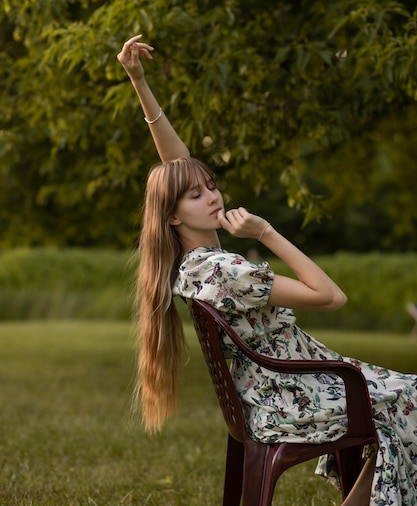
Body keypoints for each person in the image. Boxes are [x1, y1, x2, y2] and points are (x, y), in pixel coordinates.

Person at [117, 35, 417, 506]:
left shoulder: (192, 264)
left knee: (407, 403)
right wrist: (266, 233)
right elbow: (331, 297)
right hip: (292, 395)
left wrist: (139, 81)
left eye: (212, 186)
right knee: (412, 402)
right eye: (198, 196)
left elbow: (177, 167)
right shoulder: (224, 271)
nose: (213, 196)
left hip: (285, 388)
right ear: (174, 217)